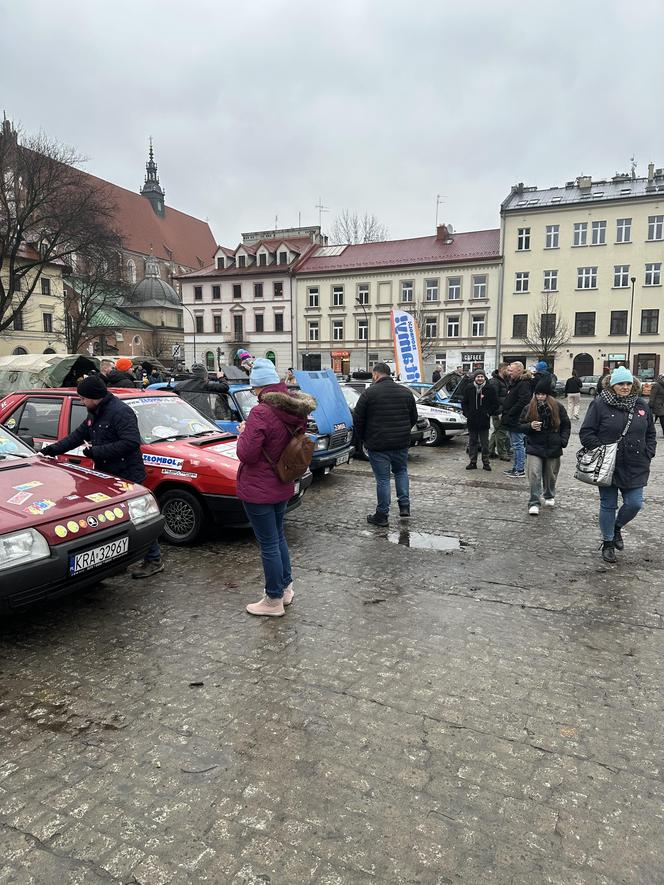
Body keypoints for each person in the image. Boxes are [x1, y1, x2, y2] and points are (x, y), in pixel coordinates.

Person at [39, 375, 164, 578]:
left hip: (128, 475)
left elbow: (131, 442)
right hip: (108, 474)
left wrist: (96, 452)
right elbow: (77, 436)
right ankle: (119, 558)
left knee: (138, 517)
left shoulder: (121, 412)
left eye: (83, 398)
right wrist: (51, 450)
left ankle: (153, 559)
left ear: (94, 397)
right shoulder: (94, 413)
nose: (81, 401)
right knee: (115, 520)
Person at [236, 358, 316, 617]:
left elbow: (247, 454)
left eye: (253, 389)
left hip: (259, 486)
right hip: (283, 481)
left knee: (268, 542)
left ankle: (273, 600)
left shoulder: (261, 412)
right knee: (278, 536)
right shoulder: (295, 409)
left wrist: (243, 433)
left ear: (260, 387)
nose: (253, 394)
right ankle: (286, 587)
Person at [580, 366, 656, 563]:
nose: (625, 387)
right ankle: (608, 543)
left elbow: (650, 433)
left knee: (635, 503)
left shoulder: (641, 405)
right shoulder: (599, 404)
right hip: (608, 466)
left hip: (636, 464)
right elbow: (586, 433)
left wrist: (649, 451)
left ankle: (616, 527)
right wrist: (603, 451)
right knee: (608, 504)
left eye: (628, 383)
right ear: (612, 385)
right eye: (621, 383)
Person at [354, 362, 418, 525]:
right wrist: (403, 431)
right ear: (389, 374)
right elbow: (413, 417)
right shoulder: (406, 392)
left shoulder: (369, 394)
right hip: (401, 443)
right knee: (401, 472)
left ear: (375, 375)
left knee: (383, 479)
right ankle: (404, 506)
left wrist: (362, 439)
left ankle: (382, 515)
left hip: (378, 444)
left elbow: (358, 420)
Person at [519, 380, 571, 515]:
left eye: (543, 394)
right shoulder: (529, 407)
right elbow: (520, 425)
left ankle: (549, 494)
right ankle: (534, 502)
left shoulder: (558, 407)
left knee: (550, 474)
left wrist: (562, 440)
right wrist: (529, 426)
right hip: (534, 445)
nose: (540, 397)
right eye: (538, 394)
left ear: (548, 395)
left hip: (553, 445)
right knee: (534, 474)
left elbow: (566, 424)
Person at [500, 362, 533, 478]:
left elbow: (523, 401)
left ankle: (520, 469)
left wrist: (511, 412)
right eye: (509, 370)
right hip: (511, 418)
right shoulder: (515, 382)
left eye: (511, 371)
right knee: (515, 445)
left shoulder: (523, 384)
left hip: (517, 419)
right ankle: (515, 468)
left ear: (519, 370)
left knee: (518, 445)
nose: (509, 373)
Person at [461, 370, 498, 471]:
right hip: (472, 420)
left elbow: (495, 404)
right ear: (475, 378)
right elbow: (464, 402)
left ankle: (486, 462)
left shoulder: (490, 389)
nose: (480, 378)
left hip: (484, 420)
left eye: (482, 376)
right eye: (478, 377)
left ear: (484, 377)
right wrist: (467, 413)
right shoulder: (469, 388)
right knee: (472, 442)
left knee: (484, 443)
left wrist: (488, 413)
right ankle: (473, 462)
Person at [488, 363, 511, 461]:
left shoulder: (503, 380)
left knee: (496, 431)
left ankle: (490, 451)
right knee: (501, 432)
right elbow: (494, 398)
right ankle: (503, 454)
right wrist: (499, 411)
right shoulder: (495, 381)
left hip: (501, 409)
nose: (509, 372)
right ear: (502, 369)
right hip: (498, 411)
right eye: (508, 370)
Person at [648, 371, 664, 436]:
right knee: (662, 419)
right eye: (663, 378)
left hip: (661, 405)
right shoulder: (656, 385)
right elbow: (652, 395)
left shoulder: (663, 385)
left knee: (653, 421)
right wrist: (650, 405)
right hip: (656, 406)